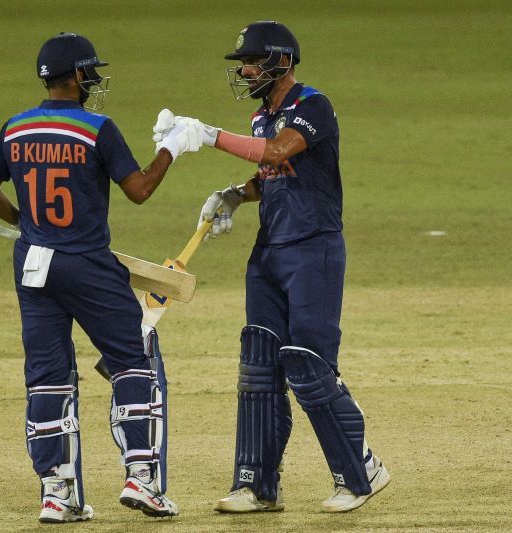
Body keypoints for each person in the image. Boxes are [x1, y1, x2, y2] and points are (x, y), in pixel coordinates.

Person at [153, 20, 390, 513]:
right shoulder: (263, 120)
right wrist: (235, 196)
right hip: (269, 253)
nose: (244, 70)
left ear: (282, 61)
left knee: (308, 361)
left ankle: (360, 470)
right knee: (259, 362)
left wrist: (211, 135)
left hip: (313, 249)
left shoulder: (312, 106)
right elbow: (272, 169)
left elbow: (282, 150)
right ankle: (257, 484)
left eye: (252, 61)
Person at [0, 32, 201, 523]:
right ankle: (141, 477)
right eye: (89, 71)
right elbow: (138, 190)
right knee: (132, 360)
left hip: (34, 265)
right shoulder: (97, 128)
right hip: (88, 264)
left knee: (48, 376)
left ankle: (57, 492)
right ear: (76, 77)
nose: (93, 79)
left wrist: (25, 222)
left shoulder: (14, 128)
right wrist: (171, 149)